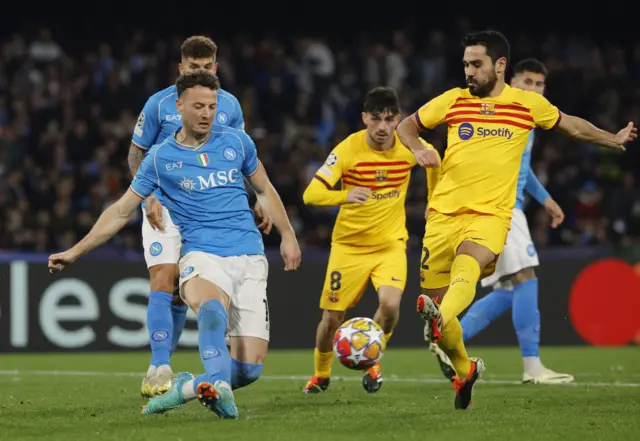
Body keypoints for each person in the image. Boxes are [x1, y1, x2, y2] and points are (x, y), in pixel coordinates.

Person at [396, 30, 636, 410]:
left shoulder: (526, 105)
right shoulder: (452, 101)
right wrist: (416, 149)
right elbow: (406, 126)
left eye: (476, 64)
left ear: (500, 65)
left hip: (491, 214)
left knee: (468, 269)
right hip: (442, 214)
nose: (469, 72)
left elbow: (573, 126)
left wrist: (613, 139)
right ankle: (465, 368)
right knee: (444, 320)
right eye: (465, 64)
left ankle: (448, 319)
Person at [49, 71, 302, 419]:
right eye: (198, 106)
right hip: (202, 254)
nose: (206, 114)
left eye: (212, 106)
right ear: (179, 106)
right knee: (210, 308)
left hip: (251, 256)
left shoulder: (237, 142)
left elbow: (264, 189)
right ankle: (220, 393)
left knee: (248, 370)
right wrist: (74, 251)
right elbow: (121, 211)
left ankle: (185, 387)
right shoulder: (160, 157)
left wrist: (287, 235)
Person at [127, 35, 271, 398]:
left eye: (207, 68)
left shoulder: (230, 106)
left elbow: (234, 156)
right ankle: (159, 365)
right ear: (181, 69)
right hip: (164, 204)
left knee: (181, 294)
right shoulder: (159, 104)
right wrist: (149, 197)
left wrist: (255, 197)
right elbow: (136, 154)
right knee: (164, 278)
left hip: (207, 208)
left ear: (216, 68)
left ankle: (197, 373)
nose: (200, 72)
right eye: (193, 67)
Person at [431, 59, 574, 385]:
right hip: (499, 207)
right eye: (528, 82)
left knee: (510, 287)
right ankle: (532, 366)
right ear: (511, 79)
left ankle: (446, 337)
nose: (534, 90)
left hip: (498, 205)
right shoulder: (508, 111)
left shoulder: (526, 113)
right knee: (525, 277)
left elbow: (521, 167)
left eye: (540, 85)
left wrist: (546, 199)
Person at [301, 87, 440, 394]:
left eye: (389, 119)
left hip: (390, 244)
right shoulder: (347, 149)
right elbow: (310, 194)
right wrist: (344, 195)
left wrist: (433, 203)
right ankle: (321, 374)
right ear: (364, 118)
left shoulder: (408, 146)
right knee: (332, 317)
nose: (382, 126)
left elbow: (433, 159)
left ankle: (373, 359)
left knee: (390, 306)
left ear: (398, 120)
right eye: (376, 118)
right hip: (348, 247)